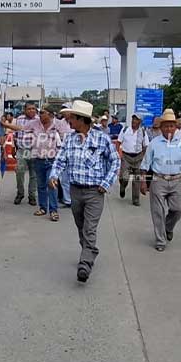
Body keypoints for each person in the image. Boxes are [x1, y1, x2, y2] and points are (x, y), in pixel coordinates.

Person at [50, 100, 120, 283]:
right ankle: (88, 251)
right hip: (75, 191)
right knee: (81, 226)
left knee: (90, 228)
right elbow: (60, 160)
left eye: (72, 118)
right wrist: (54, 175)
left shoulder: (102, 138)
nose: (69, 121)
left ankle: (85, 263)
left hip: (95, 192)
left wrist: (106, 183)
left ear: (82, 119)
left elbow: (115, 161)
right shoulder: (70, 139)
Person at [140, 109, 181, 251]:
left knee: (178, 209)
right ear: (162, 127)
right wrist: (143, 181)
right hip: (158, 180)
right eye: (166, 125)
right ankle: (160, 241)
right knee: (157, 211)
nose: (169, 128)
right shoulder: (154, 143)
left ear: (176, 127)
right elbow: (145, 163)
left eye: (172, 125)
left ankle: (168, 227)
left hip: (176, 180)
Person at [23, 105, 71, 222]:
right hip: (38, 159)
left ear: (50, 114)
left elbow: (67, 137)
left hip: (52, 160)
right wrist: (5, 125)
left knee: (52, 184)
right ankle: (43, 208)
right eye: (39, 113)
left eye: (42, 113)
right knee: (41, 185)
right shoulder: (34, 123)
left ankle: (53, 210)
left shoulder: (58, 124)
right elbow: (20, 128)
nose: (39, 115)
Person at [117, 113, 149, 206]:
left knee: (137, 178)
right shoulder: (125, 129)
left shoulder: (143, 132)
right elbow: (118, 142)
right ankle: (123, 186)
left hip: (138, 157)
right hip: (126, 156)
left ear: (140, 122)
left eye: (136, 120)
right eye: (133, 119)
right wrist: (118, 154)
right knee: (124, 176)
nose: (134, 121)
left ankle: (135, 199)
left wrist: (144, 156)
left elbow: (146, 146)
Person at [12, 102, 39, 206]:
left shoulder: (39, 120)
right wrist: (14, 148)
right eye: (29, 109)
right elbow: (15, 134)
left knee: (34, 174)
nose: (32, 110)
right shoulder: (19, 119)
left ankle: (32, 196)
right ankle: (20, 193)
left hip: (34, 150)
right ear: (24, 110)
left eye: (33, 108)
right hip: (22, 150)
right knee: (19, 171)